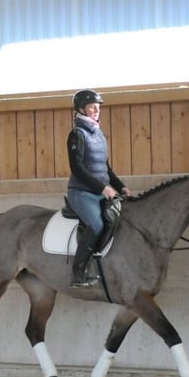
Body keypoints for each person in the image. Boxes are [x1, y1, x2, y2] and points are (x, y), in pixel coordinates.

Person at [66, 89, 132, 288]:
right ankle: (78, 272)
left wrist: (121, 187)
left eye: (98, 108)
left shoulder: (99, 135)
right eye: (92, 108)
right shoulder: (77, 135)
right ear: (81, 109)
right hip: (81, 192)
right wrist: (104, 189)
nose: (96, 111)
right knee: (96, 225)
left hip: (100, 191)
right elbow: (77, 169)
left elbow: (106, 168)